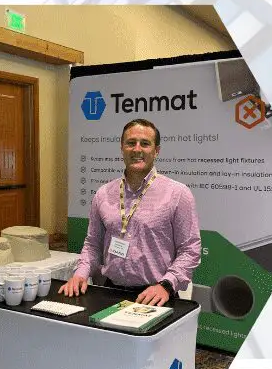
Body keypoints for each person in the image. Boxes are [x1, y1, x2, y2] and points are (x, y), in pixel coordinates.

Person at [58, 118, 201, 306]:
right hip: (110, 292)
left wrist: (167, 285)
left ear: (156, 151)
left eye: (145, 143)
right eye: (131, 143)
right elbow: (93, 244)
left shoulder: (178, 194)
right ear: (122, 148)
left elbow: (190, 250)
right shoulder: (103, 194)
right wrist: (80, 274)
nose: (137, 149)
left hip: (156, 296)